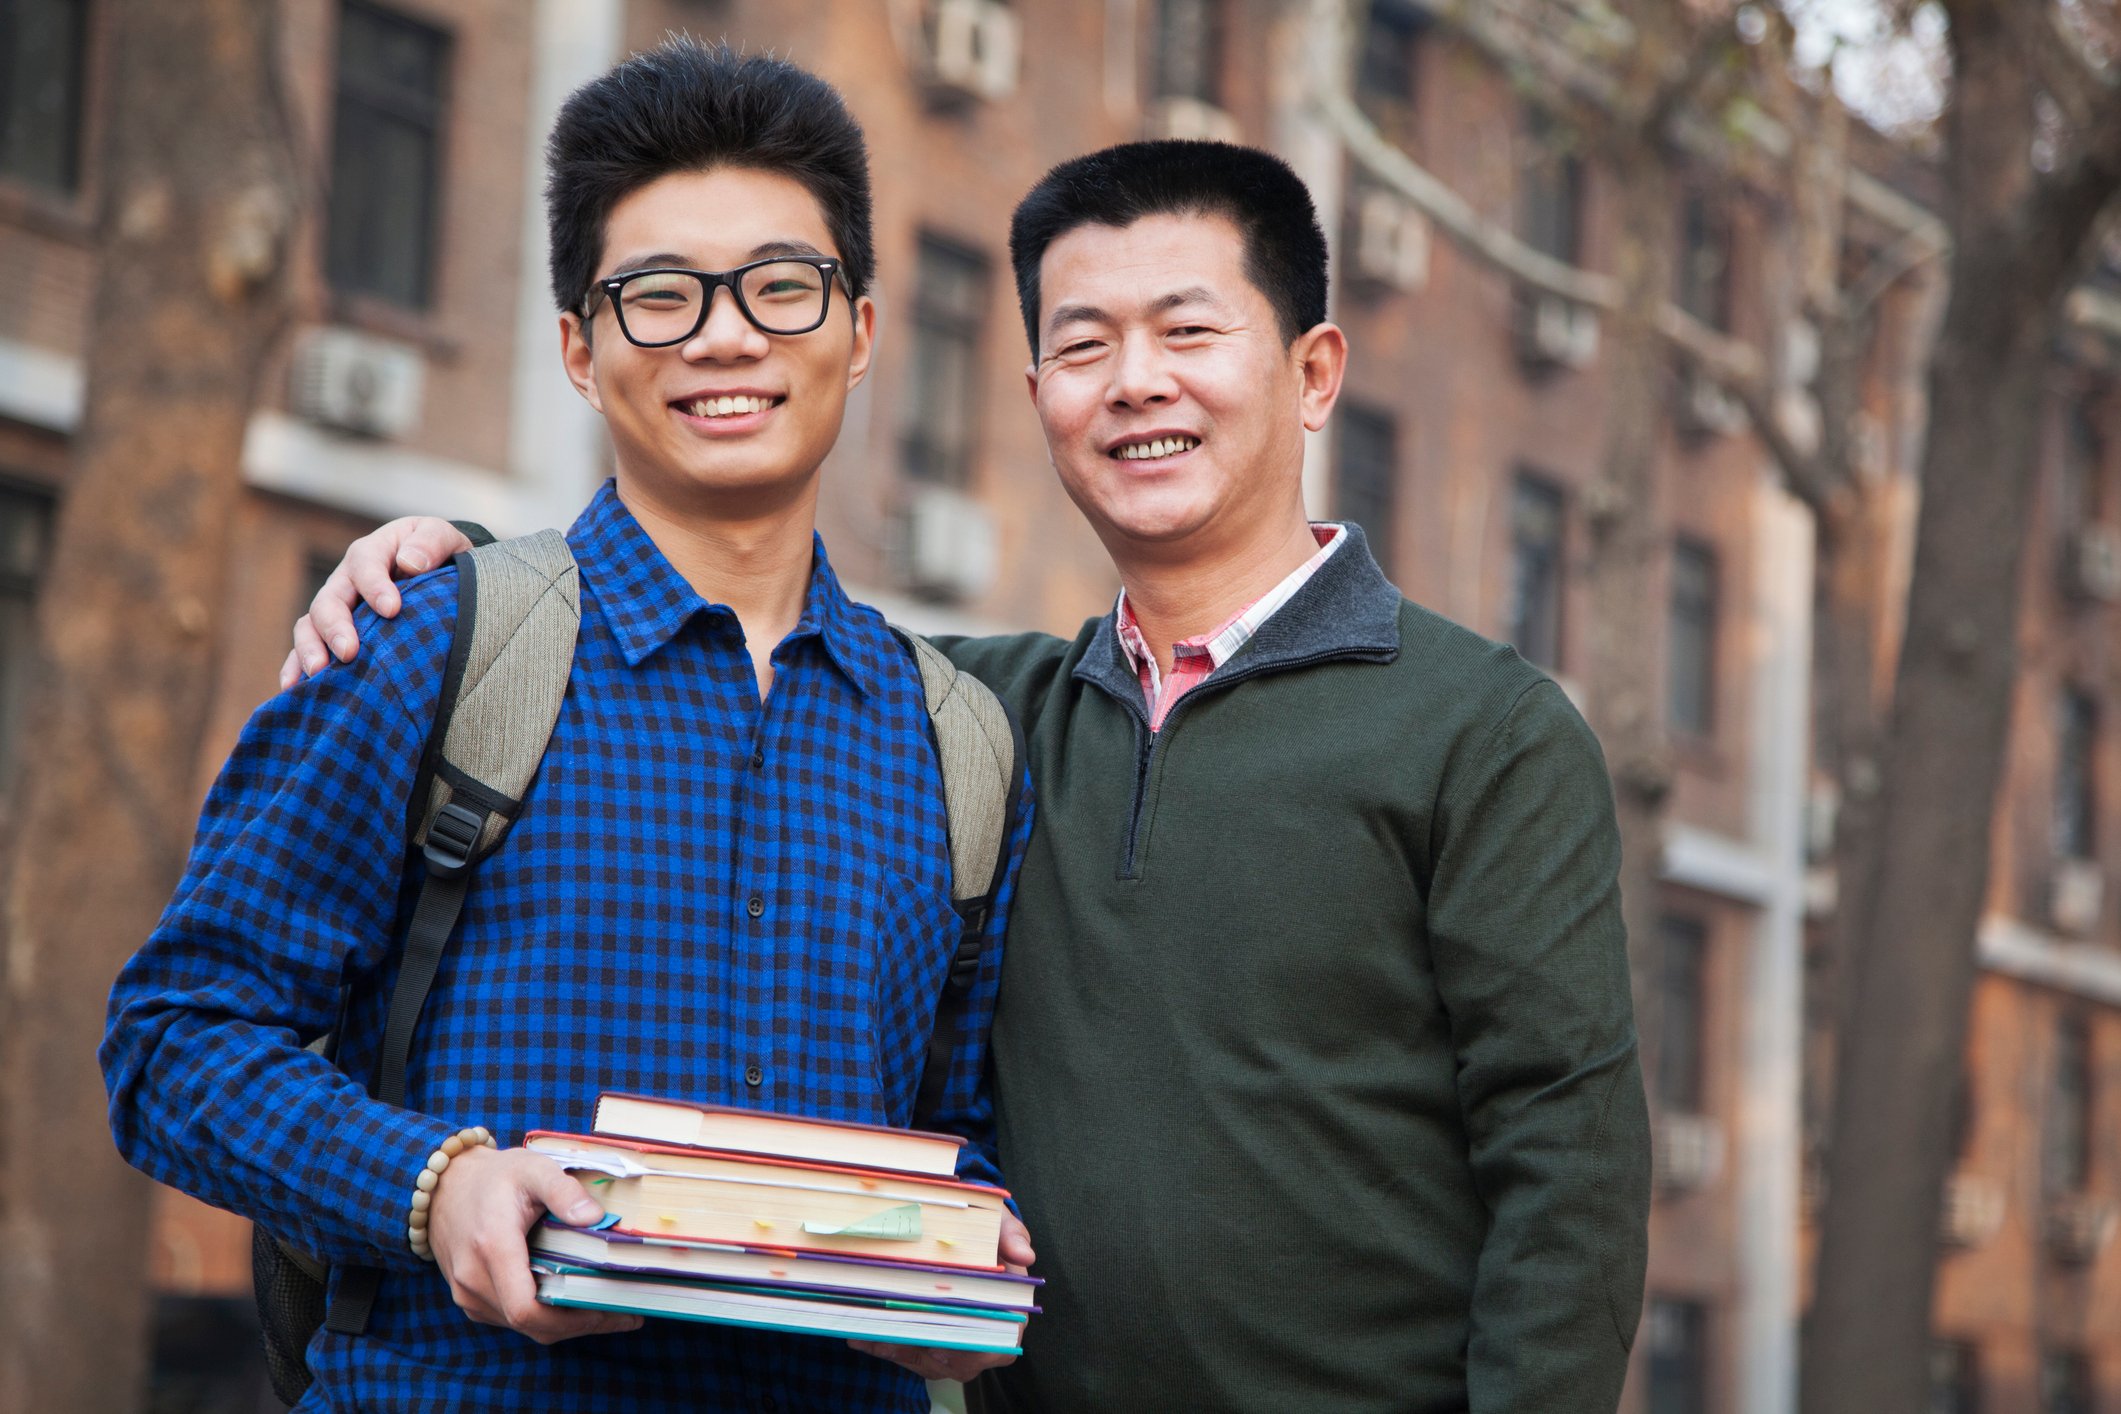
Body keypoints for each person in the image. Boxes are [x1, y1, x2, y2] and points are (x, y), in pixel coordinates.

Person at [293, 141, 1651, 1412]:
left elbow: (1565, 1177)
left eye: (1187, 331)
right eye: (1083, 344)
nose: (1135, 382)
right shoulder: (983, 717)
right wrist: (455, 565)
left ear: (1312, 372)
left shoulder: (1484, 731)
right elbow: (728, 631)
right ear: (1039, 395)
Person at [103, 41, 1033, 1413]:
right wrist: (437, 1187)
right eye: (660, 295)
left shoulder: (956, 744)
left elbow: (961, 1127)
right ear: (579, 351)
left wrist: (964, 1261)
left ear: (861, 330)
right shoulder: (432, 647)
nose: (725, 337)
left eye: (782, 285)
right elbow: (173, 1039)